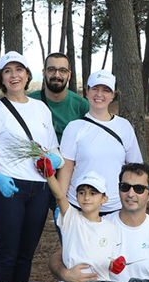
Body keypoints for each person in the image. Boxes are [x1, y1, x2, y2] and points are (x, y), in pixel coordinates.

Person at [0, 50, 62, 282]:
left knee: (26, 255)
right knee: (7, 254)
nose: (14, 75)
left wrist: (55, 159)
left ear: (27, 75)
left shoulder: (41, 109)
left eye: (19, 70)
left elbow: (52, 147)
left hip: (40, 190)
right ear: (1, 79)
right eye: (8, 71)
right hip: (9, 189)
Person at [51, 163, 149, 282]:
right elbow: (61, 254)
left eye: (139, 189)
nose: (130, 194)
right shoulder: (99, 223)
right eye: (125, 187)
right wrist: (65, 274)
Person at [57, 70, 143, 215]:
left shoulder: (124, 126)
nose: (99, 94)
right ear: (87, 91)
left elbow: (135, 168)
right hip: (79, 206)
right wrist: (61, 204)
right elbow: (66, 169)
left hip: (115, 207)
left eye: (106, 90)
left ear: (113, 95)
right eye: (95, 89)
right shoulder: (74, 127)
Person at [29, 52, 89, 142]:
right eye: (51, 70)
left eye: (63, 71)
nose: (57, 75)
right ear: (44, 73)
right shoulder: (29, 102)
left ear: (69, 75)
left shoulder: (82, 106)